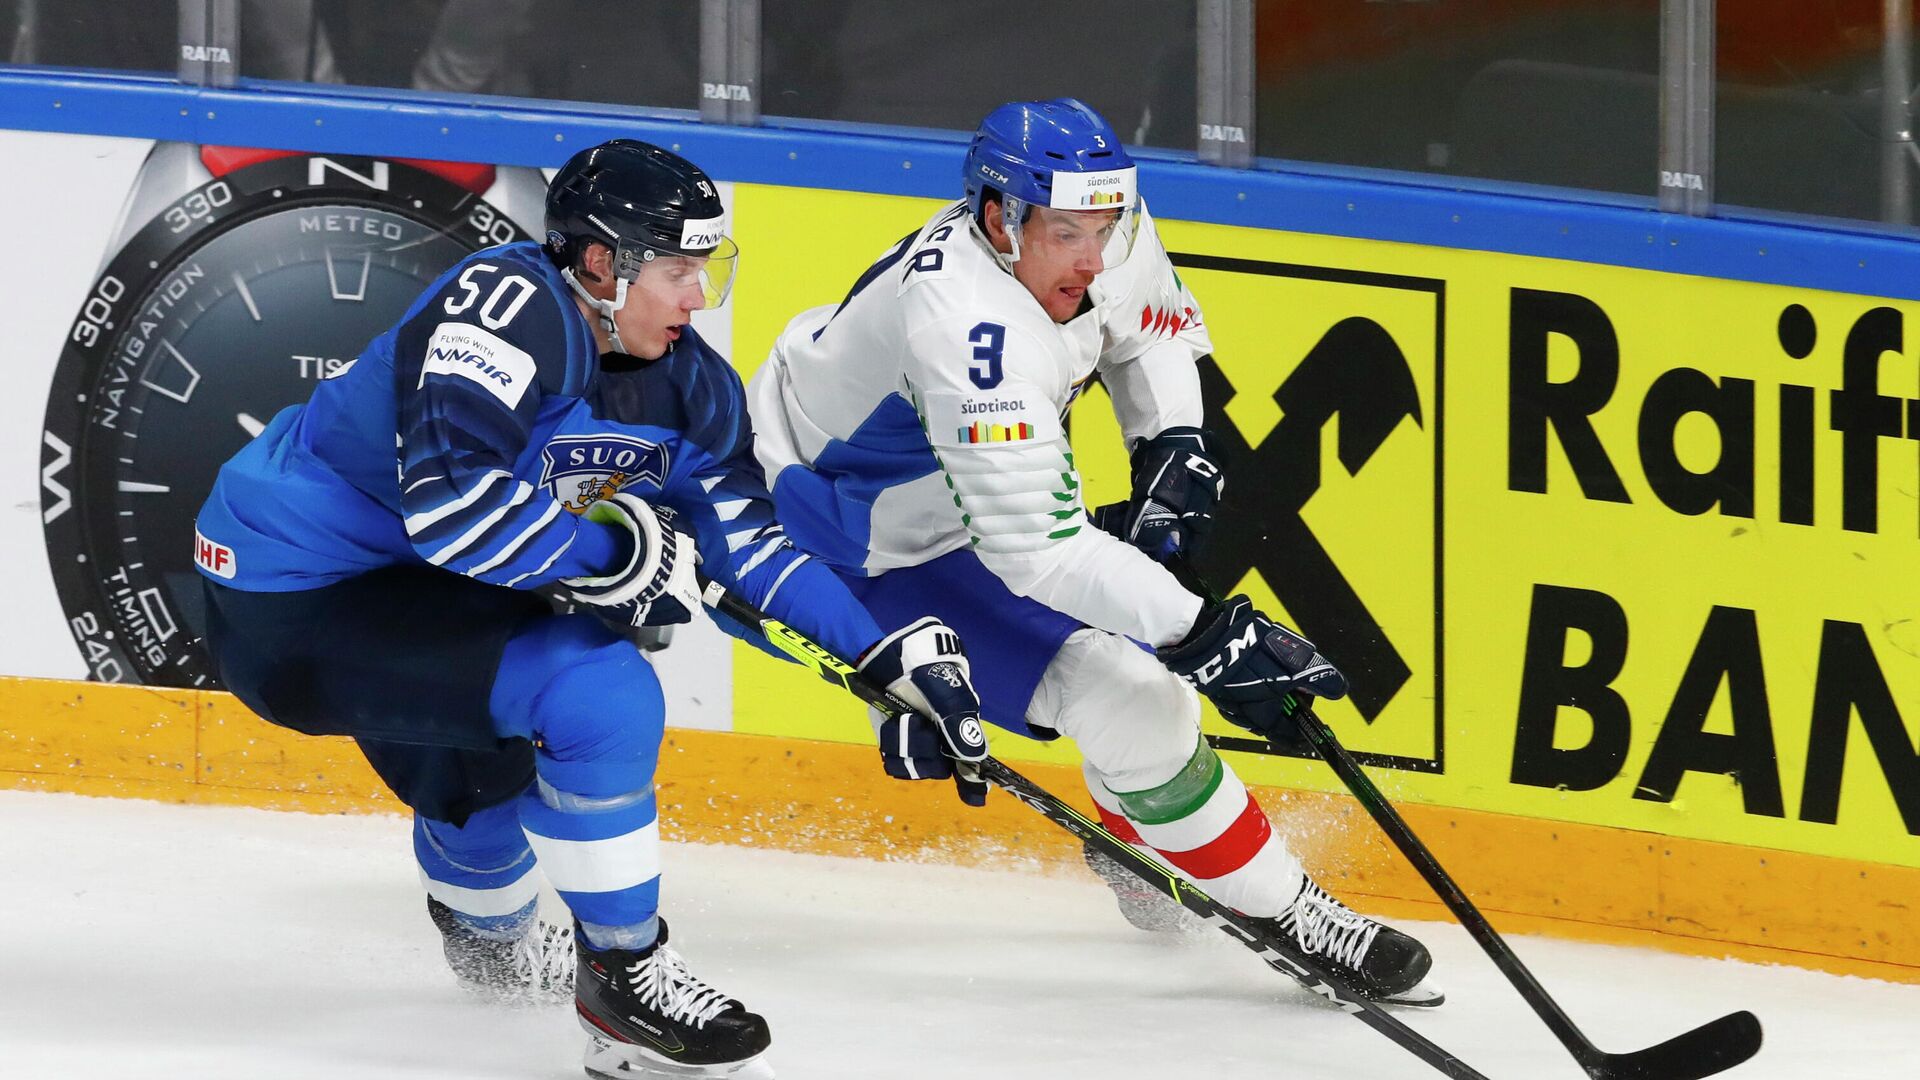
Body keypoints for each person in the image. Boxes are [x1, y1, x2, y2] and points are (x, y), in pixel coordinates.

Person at [192, 138, 990, 1080]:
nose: (700, 295)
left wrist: (884, 655)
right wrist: (619, 552)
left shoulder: (691, 390)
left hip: (428, 586)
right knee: (600, 688)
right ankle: (627, 983)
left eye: (708, 266)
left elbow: (751, 556)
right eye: (679, 267)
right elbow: (453, 510)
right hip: (290, 592)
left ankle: (484, 935)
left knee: (488, 777)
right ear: (602, 262)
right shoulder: (502, 308)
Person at [747, 98, 1441, 1006]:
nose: (1094, 254)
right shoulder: (968, 331)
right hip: (850, 549)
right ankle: (1293, 915)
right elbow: (1036, 552)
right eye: (1069, 232)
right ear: (1000, 217)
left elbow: (1146, 323)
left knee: (1146, 668)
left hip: (948, 508)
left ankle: (1130, 829)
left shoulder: (1088, 224)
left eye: (1107, 226)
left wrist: (1170, 445)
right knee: (1140, 696)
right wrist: (1207, 634)